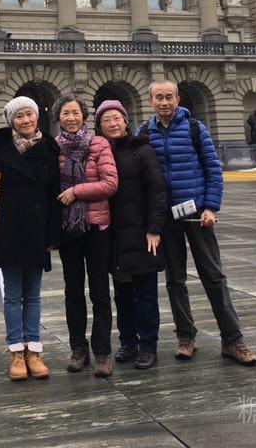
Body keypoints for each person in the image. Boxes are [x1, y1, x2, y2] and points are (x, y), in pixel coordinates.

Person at [140, 80, 256, 366]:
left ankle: (233, 339)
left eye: (169, 97)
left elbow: (212, 168)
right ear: (150, 101)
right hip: (166, 217)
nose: (164, 102)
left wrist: (211, 207)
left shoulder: (195, 128)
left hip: (197, 215)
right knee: (175, 280)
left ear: (177, 99)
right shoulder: (144, 132)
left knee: (213, 276)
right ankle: (185, 337)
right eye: (159, 97)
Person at [0, 96, 61, 381]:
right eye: (19, 116)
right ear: (11, 121)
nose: (25, 120)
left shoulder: (49, 148)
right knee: (13, 295)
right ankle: (16, 350)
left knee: (34, 295)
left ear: (36, 117)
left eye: (29, 114)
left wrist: (53, 233)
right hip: (8, 229)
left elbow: (54, 195)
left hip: (37, 230)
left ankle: (34, 350)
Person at [95, 100, 166, 370]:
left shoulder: (142, 150)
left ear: (126, 121)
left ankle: (148, 345)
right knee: (122, 294)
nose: (112, 123)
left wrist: (154, 228)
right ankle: (128, 342)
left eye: (117, 118)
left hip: (141, 233)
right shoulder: (100, 152)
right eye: (106, 120)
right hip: (113, 236)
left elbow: (157, 191)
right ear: (100, 126)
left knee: (146, 294)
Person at [52, 94, 118, 378]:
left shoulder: (98, 143)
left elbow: (110, 184)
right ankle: (78, 348)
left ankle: (102, 351)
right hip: (68, 228)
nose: (71, 118)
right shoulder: (53, 147)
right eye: (65, 113)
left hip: (96, 227)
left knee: (100, 291)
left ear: (83, 116)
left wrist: (76, 192)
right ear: (58, 118)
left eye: (75, 112)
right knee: (73, 291)